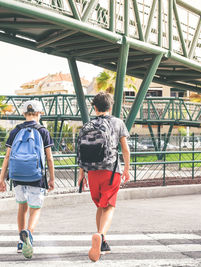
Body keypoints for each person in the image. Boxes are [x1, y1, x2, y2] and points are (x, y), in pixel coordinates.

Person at [0, 100, 55, 259]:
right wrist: (52, 179)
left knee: (22, 207)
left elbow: (7, 156)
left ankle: (20, 242)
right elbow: (49, 159)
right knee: (35, 208)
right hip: (36, 176)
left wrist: (1, 179)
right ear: (39, 113)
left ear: (24, 114)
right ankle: (28, 233)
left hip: (17, 176)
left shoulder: (16, 130)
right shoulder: (43, 131)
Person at [78, 92, 130, 262]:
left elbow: (82, 151)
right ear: (110, 106)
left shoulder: (88, 124)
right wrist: (127, 170)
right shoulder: (118, 122)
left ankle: (103, 242)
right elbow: (125, 149)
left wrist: (82, 174)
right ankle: (100, 235)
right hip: (111, 170)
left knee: (100, 206)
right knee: (109, 207)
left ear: (94, 107)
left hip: (92, 172)